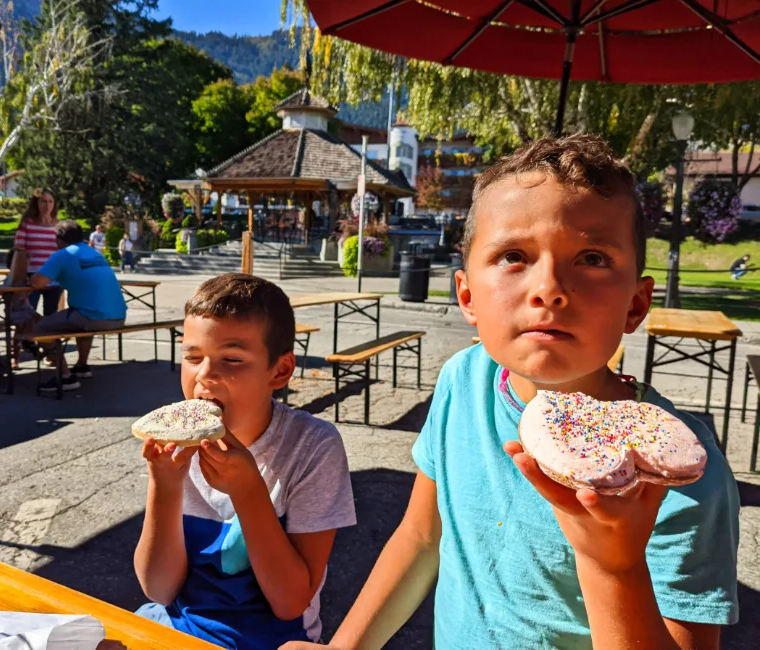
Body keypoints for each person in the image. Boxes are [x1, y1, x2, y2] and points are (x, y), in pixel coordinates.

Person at [282, 134, 739, 650]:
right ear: (469, 297)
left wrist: (614, 567)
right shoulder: (462, 381)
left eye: (591, 257)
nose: (549, 287)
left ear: (636, 305)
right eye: (514, 255)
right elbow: (422, 537)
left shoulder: (677, 476)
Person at [134, 273, 356, 649]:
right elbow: (159, 589)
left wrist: (248, 490)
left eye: (232, 359)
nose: (205, 375)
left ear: (280, 371)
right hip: (175, 628)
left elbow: (290, 604)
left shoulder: (312, 446)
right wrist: (165, 485)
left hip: (273, 640)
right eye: (192, 358)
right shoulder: (176, 445)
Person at [30, 220, 127, 391]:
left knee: (40, 328)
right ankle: (82, 366)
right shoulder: (95, 254)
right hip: (118, 316)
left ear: (58, 240)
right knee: (82, 319)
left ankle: (66, 377)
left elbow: (37, 283)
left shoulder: (63, 254)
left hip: (92, 317)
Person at [14, 189, 62, 317]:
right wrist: (22, 275)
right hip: (31, 276)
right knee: (29, 313)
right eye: (43, 201)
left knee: (51, 315)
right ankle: (26, 337)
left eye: (50, 201)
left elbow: (64, 253)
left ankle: (50, 337)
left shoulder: (59, 226)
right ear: (36, 203)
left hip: (54, 277)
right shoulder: (27, 224)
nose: (47, 205)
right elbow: (19, 250)